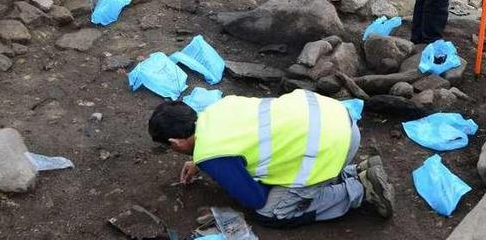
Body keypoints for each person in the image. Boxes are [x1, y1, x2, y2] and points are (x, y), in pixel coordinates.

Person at [147, 89, 395, 227]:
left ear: (175, 142)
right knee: (285, 170)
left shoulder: (210, 154)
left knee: (271, 213)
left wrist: (211, 165)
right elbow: (241, 139)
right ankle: (356, 170)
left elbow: (254, 198)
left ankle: (359, 190)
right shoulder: (215, 109)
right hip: (340, 120)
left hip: (329, 146)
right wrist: (199, 160)